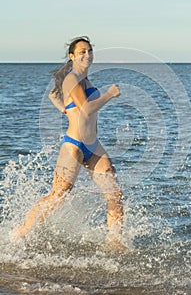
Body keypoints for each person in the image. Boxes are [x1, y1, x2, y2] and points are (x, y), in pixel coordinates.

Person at [13, 36, 124, 248]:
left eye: (89, 50)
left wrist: (64, 108)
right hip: (73, 145)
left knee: (115, 195)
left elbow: (64, 103)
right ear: (72, 56)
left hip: (94, 146)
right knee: (58, 196)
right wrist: (109, 94)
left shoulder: (85, 80)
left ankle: (115, 244)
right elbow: (86, 109)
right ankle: (22, 232)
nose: (87, 54)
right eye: (82, 51)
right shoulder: (71, 79)